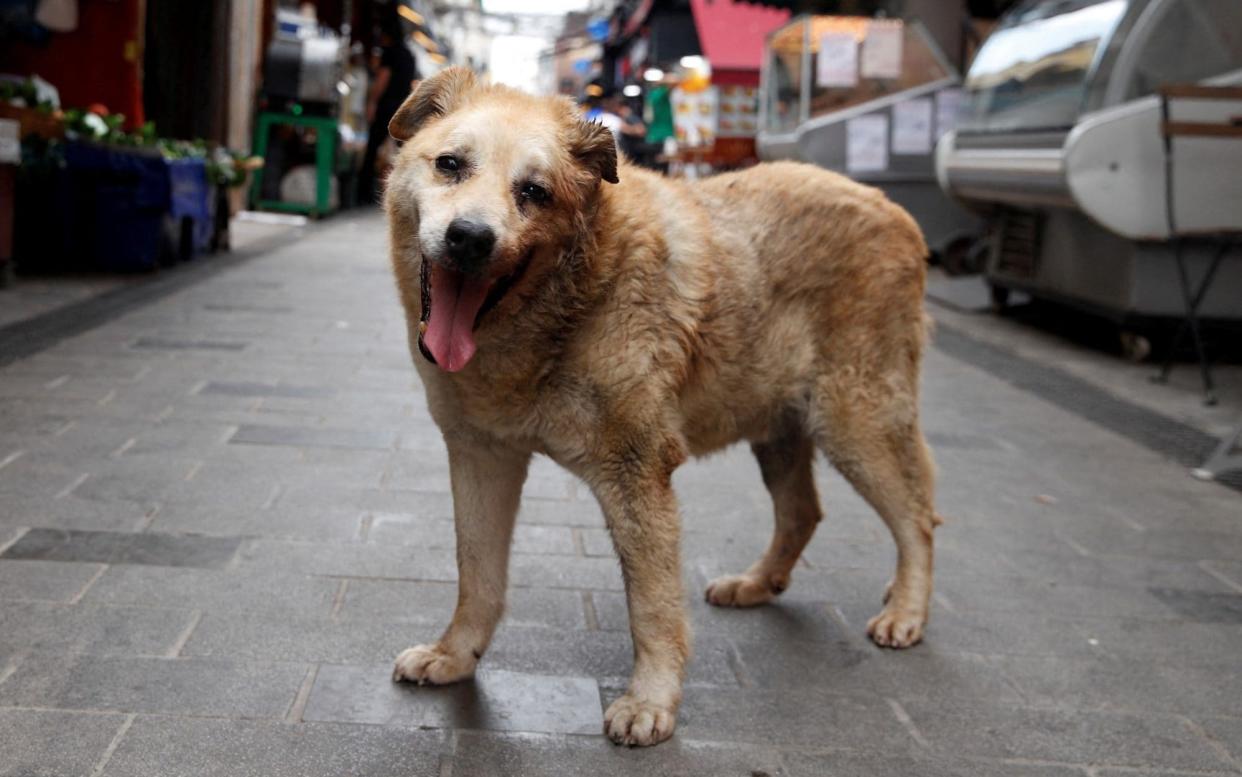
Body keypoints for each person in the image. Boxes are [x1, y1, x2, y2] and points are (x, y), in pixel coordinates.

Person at [357, 15, 417, 204]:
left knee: (372, 149)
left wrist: (372, 102)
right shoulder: (409, 54)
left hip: (387, 106)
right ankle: (406, 195)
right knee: (406, 153)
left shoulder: (390, 52)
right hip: (404, 107)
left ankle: (364, 193)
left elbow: (383, 79)